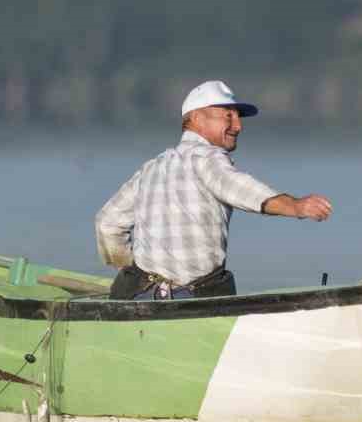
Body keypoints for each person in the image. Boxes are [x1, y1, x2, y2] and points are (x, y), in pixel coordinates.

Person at [95, 79, 333, 300]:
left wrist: (129, 269)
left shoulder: (151, 168)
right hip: (192, 302)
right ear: (197, 118)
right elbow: (242, 189)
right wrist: (297, 206)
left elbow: (107, 222)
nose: (238, 125)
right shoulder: (207, 158)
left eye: (238, 117)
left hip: (142, 297)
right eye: (227, 116)